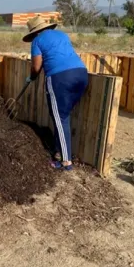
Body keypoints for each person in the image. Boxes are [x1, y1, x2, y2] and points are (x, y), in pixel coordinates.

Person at [23, 16, 88, 171]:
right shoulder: (62, 35)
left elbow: (36, 67)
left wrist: (31, 78)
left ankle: (66, 162)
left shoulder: (37, 41)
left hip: (60, 78)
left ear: (34, 32)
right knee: (61, 115)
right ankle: (59, 150)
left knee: (60, 118)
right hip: (81, 74)